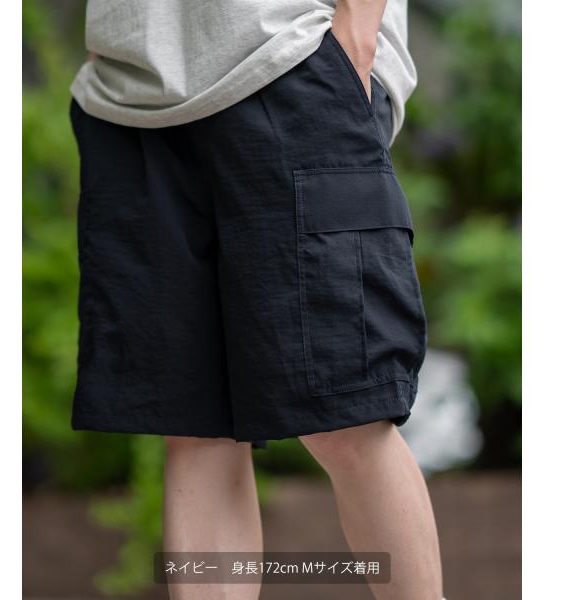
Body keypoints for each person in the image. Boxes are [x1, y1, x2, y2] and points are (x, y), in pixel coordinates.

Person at [68, 0, 444, 598]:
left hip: (288, 55)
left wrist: (355, 34)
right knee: (192, 427)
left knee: (350, 412)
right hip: (130, 91)